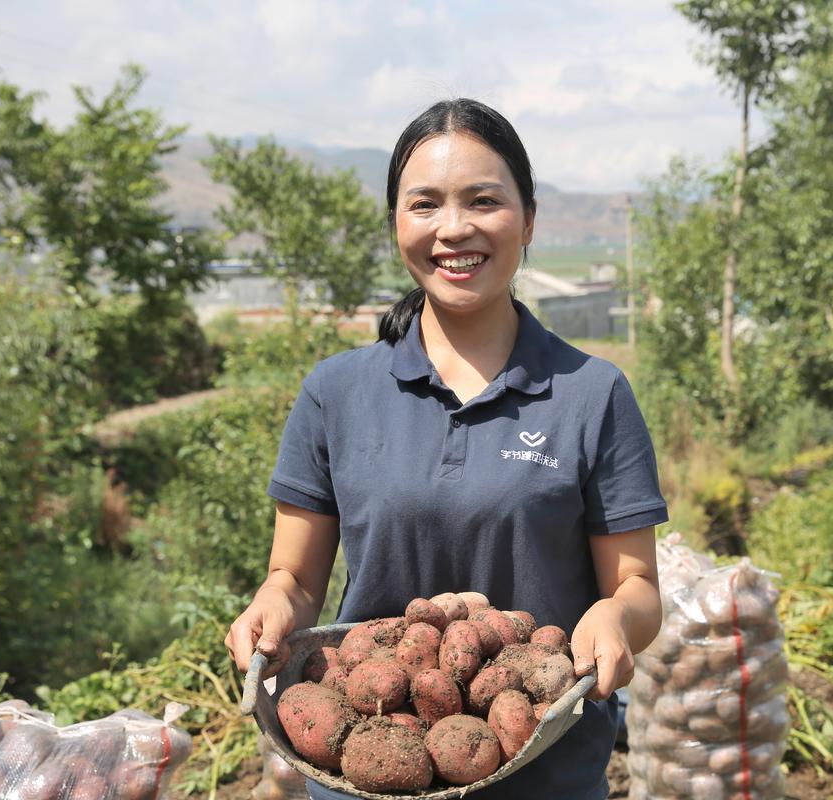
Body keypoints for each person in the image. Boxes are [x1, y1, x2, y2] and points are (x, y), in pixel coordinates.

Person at [225, 98, 668, 800]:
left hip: (542, 769)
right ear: (397, 225)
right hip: (365, 763)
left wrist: (616, 618)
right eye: (424, 204)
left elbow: (637, 589)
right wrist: (273, 607)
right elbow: (297, 580)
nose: (454, 228)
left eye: (483, 201)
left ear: (528, 219)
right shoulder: (335, 392)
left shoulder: (592, 393)